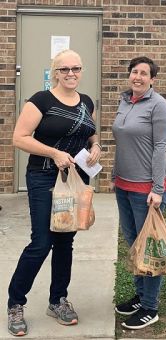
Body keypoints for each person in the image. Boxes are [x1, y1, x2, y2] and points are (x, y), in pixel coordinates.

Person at [7, 49, 101, 337]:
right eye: (64, 69)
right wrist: (54, 152)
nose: (71, 73)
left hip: (76, 177)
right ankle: (15, 303)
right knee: (41, 242)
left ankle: (57, 300)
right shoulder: (41, 100)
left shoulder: (86, 101)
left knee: (65, 241)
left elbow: (90, 132)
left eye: (76, 68)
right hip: (44, 176)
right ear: (55, 72)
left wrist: (96, 145)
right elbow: (19, 138)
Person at [112, 56, 166, 330]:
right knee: (134, 245)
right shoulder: (125, 101)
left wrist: (157, 189)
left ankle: (150, 307)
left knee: (150, 249)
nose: (137, 76)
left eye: (143, 73)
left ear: (152, 79)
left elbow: (160, 148)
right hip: (123, 186)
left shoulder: (158, 105)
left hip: (146, 191)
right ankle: (140, 295)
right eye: (134, 72)